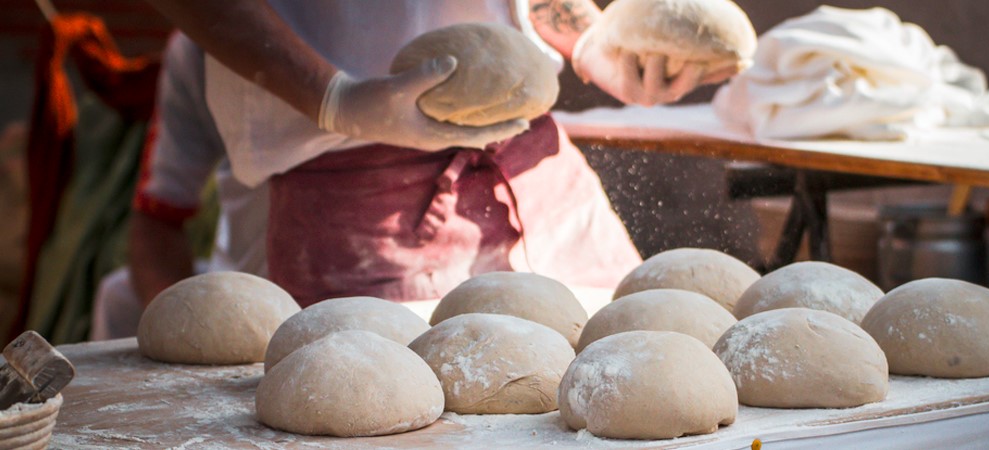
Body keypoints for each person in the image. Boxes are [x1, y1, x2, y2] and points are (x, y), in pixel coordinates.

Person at [135, 0, 739, 307]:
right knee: (406, 415)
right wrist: (334, 100)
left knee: (630, 353)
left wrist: (586, 35)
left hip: (534, 156)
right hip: (360, 195)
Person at [91, 33, 269, 340]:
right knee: (117, 296)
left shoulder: (377, 34)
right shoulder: (199, 46)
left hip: (366, 284)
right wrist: (180, 335)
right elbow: (156, 220)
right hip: (242, 279)